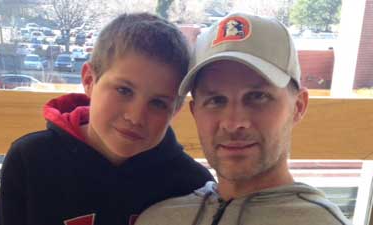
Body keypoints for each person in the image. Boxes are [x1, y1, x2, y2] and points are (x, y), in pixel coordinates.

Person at [0, 13, 213, 225]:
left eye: (158, 103)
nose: (136, 117)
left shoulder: (192, 185)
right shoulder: (30, 160)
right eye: (124, 90)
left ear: (175, 109)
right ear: (89, 80)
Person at [135, 12, 351, 225]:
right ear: (195, 112)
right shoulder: (159, 218)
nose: (233, 122)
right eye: (216, 100)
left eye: (258, 97)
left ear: (298, 106)